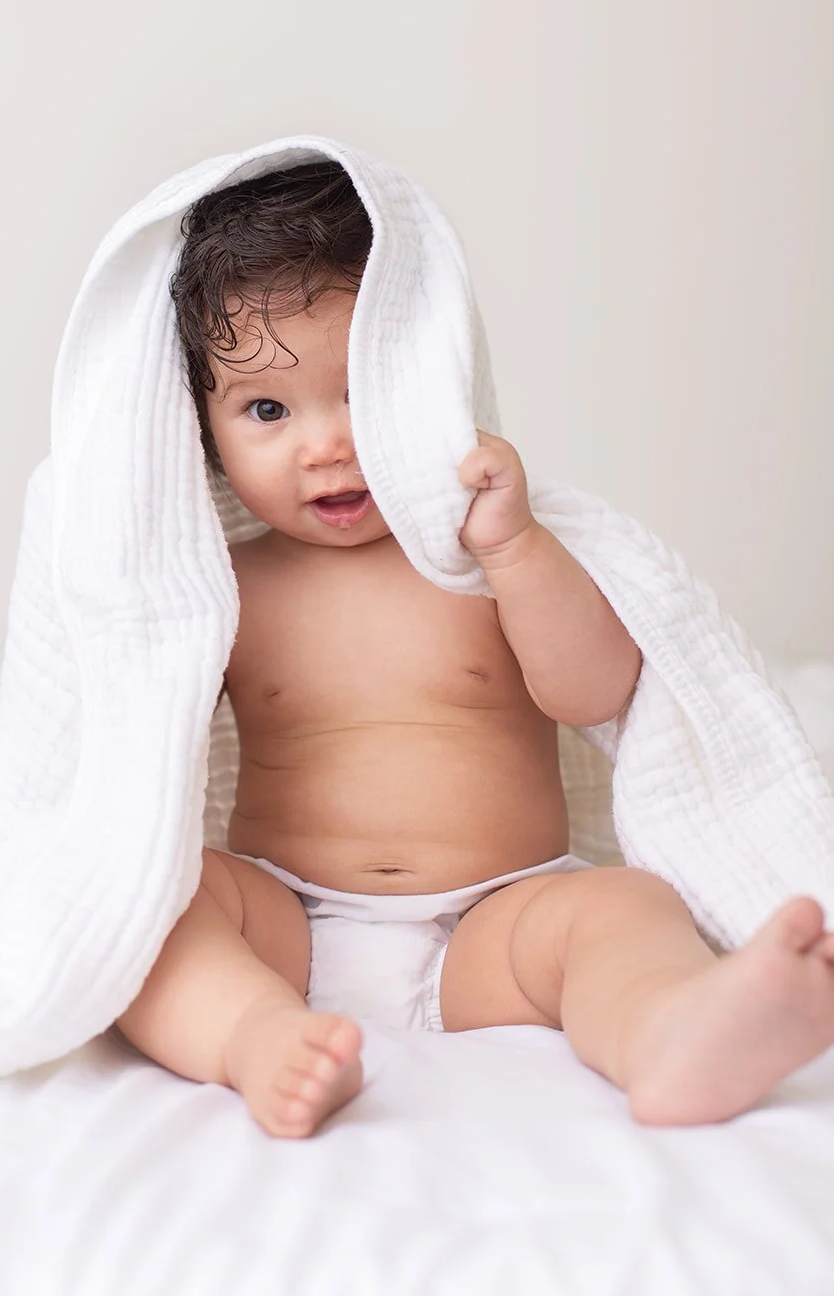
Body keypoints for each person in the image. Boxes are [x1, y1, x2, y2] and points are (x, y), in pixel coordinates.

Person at [117, 159, 834, 1138]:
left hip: (493, 920)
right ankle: (251, 1034)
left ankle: (669, 1034)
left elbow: (591, 690)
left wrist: (513, 549)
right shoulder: (225, 585)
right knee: (152, 909)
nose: (323, 443)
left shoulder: (482, 554)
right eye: (267, 409)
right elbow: (138, 743)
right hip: (285, 919)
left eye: (360, 391)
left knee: (622, 909)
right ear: (200, 432)